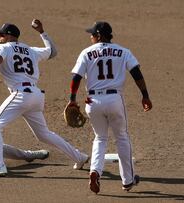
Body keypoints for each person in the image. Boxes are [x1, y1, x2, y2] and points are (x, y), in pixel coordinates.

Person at [0, 19, 89, 177]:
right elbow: (52, 51)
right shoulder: (31, 50)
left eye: (1, 34)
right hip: (35, 96)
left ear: (9, 36)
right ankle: (79, 157)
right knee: (44, 134)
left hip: (20, 94)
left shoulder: (4, 47)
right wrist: (42, 32)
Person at [68, 21, 153, 193]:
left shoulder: (86, 52)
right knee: (121, 137)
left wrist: (72, 99)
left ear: (98, 35)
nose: (91, 37)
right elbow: (136, 73)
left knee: (100, 138)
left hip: (93, 102)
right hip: (114, 100)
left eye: (92, 34)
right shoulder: (123, 51)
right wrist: (145, 95)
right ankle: (128, 180)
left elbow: (76, 77)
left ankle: (94, 171)